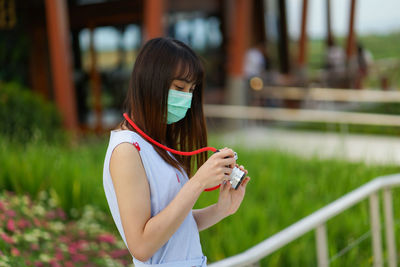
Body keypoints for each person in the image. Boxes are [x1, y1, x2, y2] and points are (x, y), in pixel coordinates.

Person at [102, 37, 251, 267]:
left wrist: (221, 210)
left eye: (191, 90)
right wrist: (198, 182)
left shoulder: (156, 143)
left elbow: (175, 228)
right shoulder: (126, 150)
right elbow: (141, 245)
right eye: (179, 88)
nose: (186, 98)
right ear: (150, 82)